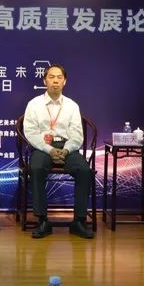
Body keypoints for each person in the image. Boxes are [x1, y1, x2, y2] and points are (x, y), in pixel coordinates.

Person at [22, 63, 94, 239]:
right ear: (44, 81)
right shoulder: (34, 104)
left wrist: (66, 150)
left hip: (67, 147)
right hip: (42, 147)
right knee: (36, 168)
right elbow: (31, 133)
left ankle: (79, 221)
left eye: (59, 77)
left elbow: (77, 134)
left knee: (84, 170)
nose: (55, 81)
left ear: (65, 82)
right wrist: (49, 150)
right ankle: (42, 221)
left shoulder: (72, 106)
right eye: (51, 77)